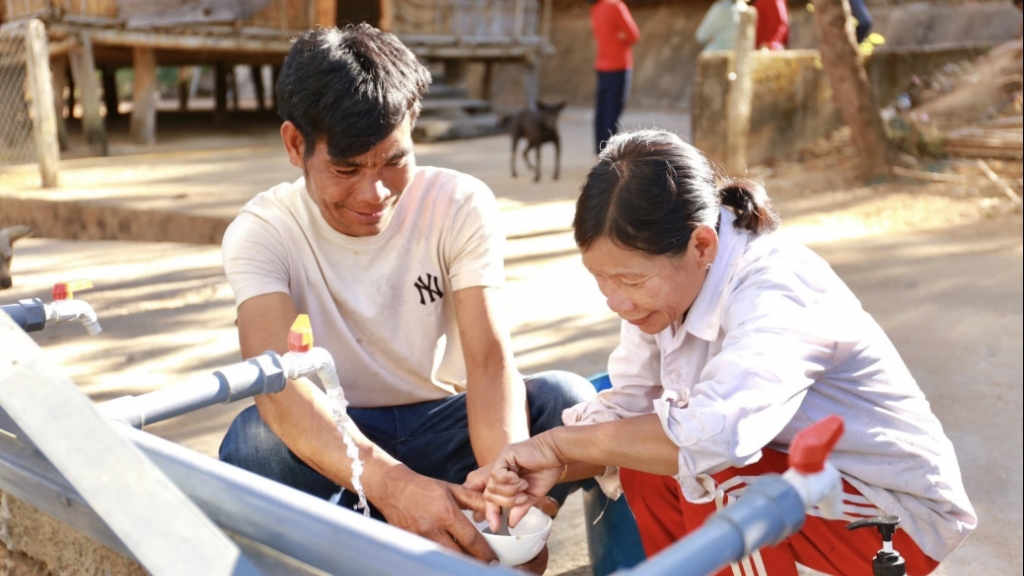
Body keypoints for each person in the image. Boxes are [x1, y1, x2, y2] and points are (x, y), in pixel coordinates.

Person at [472, 130, 977, 576]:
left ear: (702, 245)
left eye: (630, 279)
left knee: (714, 469)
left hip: (892, 512)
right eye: (601, 280)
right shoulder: (662, 298)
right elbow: (629, 407)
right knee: (645, 462)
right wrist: (538, 467)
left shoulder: (775, 288)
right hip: (798, 482)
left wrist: (560, 447)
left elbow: (720, 434)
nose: (616, 301)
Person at [217, 24, 595, 569]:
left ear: (412, 126)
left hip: (445, 424)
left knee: (567, 401)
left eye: (394, 161)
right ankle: (392, 523)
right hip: (338, 435)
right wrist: (397, 489)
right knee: (253, 444)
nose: (374, 194)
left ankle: (451, 529)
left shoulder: (460, 203)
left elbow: (489, 362)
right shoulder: (262, 230)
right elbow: (277, 388)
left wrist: (505, 490)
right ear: (296, 145)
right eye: (346, 169)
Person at [589, 0, 641, 154]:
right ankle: (609, 152)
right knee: (612, 112)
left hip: (601, 64)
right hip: (618, 65)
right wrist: (621, 36)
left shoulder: (595, 8)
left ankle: (600, 150)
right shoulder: (616, 6)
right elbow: (633, 35)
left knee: (601, 110)